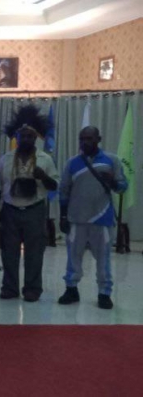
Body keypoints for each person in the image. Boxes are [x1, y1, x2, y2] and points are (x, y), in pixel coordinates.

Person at [58, 127, 127, 310]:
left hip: (102, 218)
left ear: (98, 139)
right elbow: (63, 191)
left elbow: (122, 186)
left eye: (89, 138)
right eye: (82, 139)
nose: (84, 142)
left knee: (103, 259)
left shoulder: (111, 160)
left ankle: (104, 293)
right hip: (76, 219)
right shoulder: (72, 163)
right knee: (73, 257)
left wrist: (112, 181)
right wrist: (63, 216)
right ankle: (71, 289)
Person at [0, 123, 59, 302]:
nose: (27, 139)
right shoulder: (6, 159)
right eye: (24, 136)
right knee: (9, 252)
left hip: (34, 210)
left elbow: (55, 186)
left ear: (35, 138)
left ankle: (32, 289)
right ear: (17, 138)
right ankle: (10, 288)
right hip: (10, 210)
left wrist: (43, 176)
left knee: (34, 252)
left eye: (31, 136)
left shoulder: (45, 159)